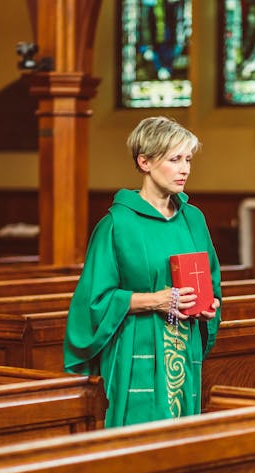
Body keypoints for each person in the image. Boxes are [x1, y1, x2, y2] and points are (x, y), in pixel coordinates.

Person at [63, 116, 222, 428]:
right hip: (136, 348)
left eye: (187, 159)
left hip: (183, 346)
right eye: (175, 159)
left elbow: (212, 284)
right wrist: (155, 301)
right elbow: (94, 303)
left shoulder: (193, 219)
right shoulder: (117, 224)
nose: (185, 168)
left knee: (181, 440)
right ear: (144, 161)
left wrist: (209, 307)